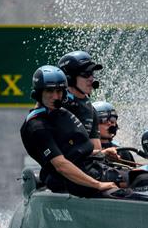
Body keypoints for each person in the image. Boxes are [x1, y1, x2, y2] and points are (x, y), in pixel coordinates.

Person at [20, 65, 118, 197]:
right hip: (72, 181)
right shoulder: (37, 126)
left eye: (59, 91)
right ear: (39, 93)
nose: (55, 96)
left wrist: (102, 153)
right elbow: (61, 165)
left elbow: (73, 153)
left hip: (90, 169)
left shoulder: (60, 113)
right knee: (138, 181)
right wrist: (98, 185)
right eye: (50, 91)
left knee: (142, 176)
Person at [58, 50, 103, 151]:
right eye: (86, 74)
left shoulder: (91, 109)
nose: (91, 78)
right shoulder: (58, 105)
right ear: (69, 78)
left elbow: (96, 149)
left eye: (92, 73)